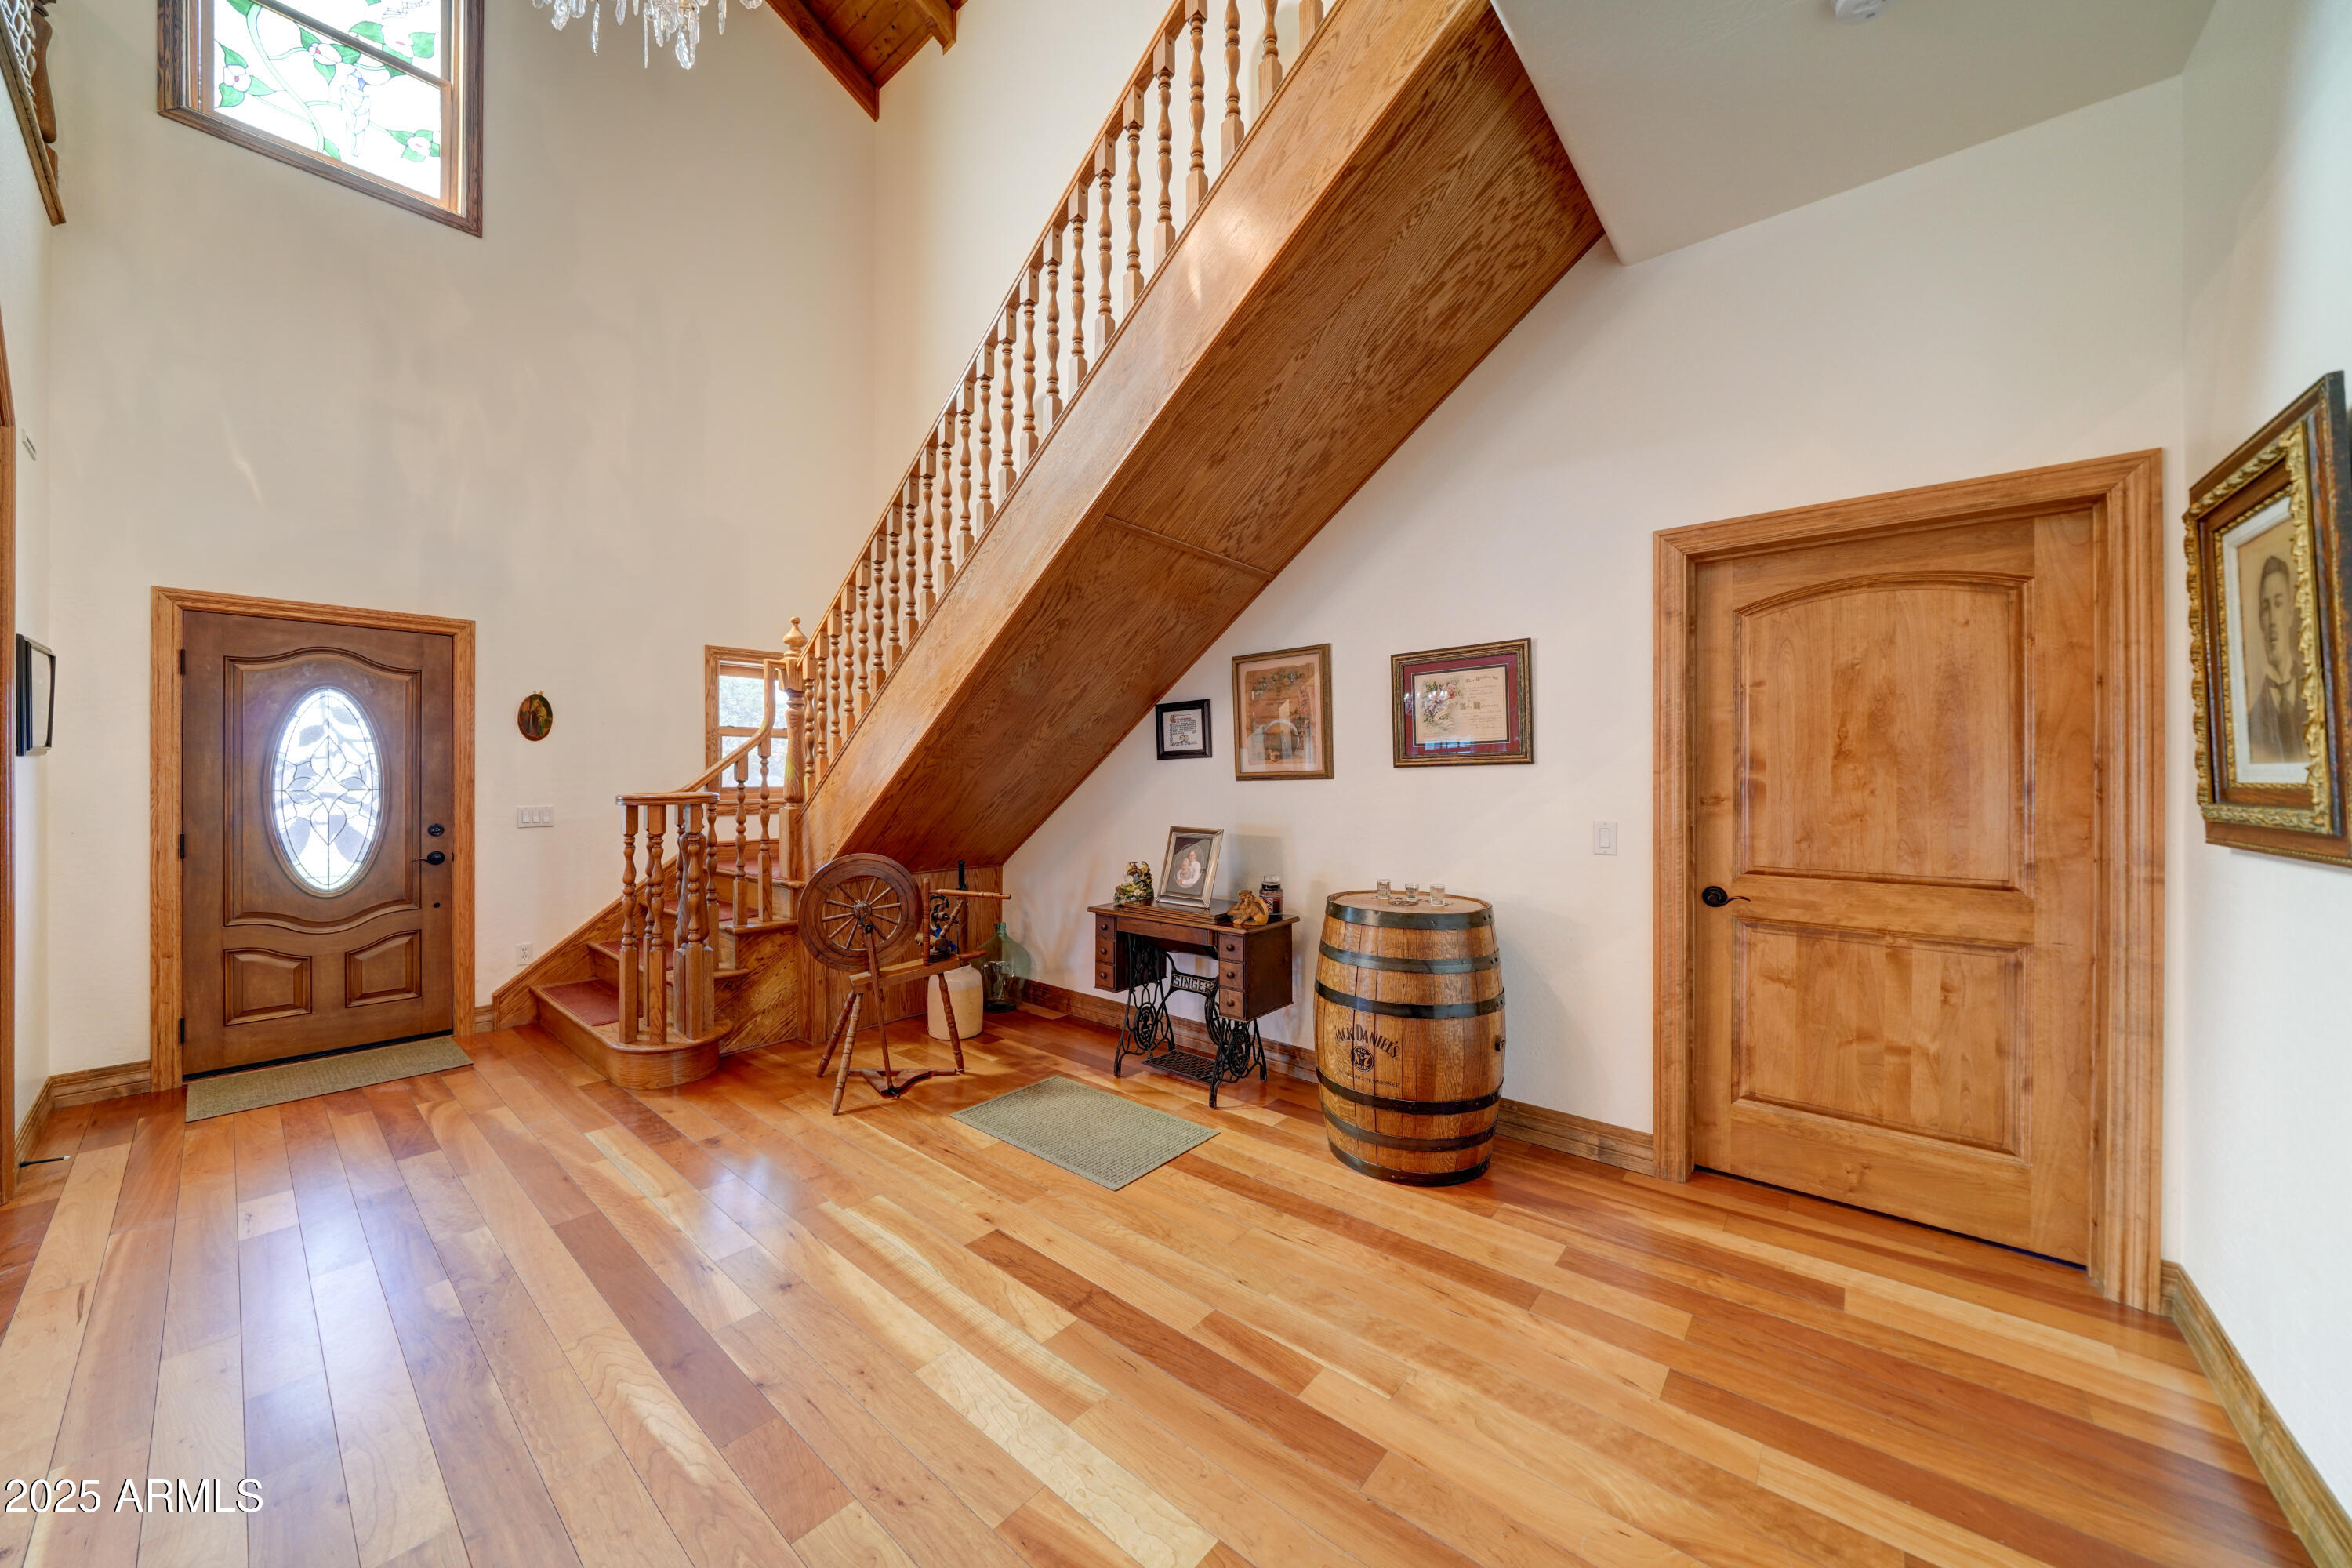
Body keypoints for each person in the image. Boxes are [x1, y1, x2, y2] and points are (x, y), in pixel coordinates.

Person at [2247, 552, 2310, 764]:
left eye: (2279, 604)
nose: (2273, 620)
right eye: (2266, 608)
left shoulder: (2319, 695)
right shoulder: (2250, 724)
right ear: (2260, 620)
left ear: (2291, 613)